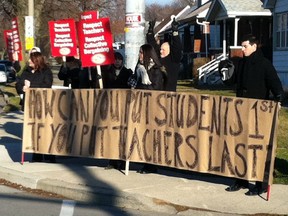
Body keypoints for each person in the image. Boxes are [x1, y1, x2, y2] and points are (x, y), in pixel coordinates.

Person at [219, 34, 284, 196]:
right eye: (241, 46)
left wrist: (278, 99)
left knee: (258, 148)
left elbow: (275, 84)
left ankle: (260, 184)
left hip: (258, 113)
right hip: (241, 111)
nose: (242, 49)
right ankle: (240, 180)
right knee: (240, 146)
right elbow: (231, 82)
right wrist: (224, 72)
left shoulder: (264, 64)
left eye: (245, 46)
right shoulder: (241, 63)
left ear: (254, 46)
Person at [130, 43, 166, 173]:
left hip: (154, 109)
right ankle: (145, 162)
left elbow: (155, 88)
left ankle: (151, 165)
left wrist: (142, 85)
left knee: (151, 137)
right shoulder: (139, 68)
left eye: (141, 52)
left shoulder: (156, 70)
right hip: (141, 107)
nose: (139, 55)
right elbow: (134, 84)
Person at [15, 51, 56, 163]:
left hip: (43, 105)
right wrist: (22, 87)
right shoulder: (26, 71)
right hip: (30, 105)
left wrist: (30, 87)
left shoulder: (46, 71)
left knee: (45, 130)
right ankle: (36, 154)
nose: (28, 61)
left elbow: (47, 85)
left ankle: (49, 155)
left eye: (31, 59)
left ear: (36, 61)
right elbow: (18, 84)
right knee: (34, 130)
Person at [101, 52, 133, 170]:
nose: (118, 61)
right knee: (112, 134)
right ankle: (112, 160)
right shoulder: (107, 72)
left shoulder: (128, 72)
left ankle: (122, 160)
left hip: (123, 108)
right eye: (115, 59)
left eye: (119, 59)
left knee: (122, 134)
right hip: (111, 107)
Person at [146, 18, 182, 92]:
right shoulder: (158, 58)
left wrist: (175, 32)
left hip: (169, 94)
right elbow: (152, 45)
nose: (161, 51)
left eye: (163, 50)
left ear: (169, 51)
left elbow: (177, 47)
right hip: (157, 93)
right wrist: (150, 31)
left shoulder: (174, 60)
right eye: (160, 49)